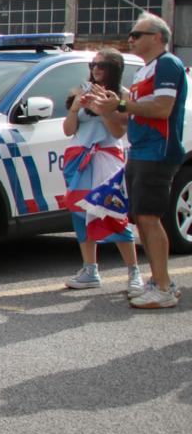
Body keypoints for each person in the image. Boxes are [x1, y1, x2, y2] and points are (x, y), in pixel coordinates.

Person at [93, 13, 186, 308]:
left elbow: (162, 108)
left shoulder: (167, 64)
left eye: (136, 34)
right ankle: (158, 280)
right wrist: (104, 108)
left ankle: (164, 287)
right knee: (141, 219)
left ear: (157, 37)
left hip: (158, 151)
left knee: (149, 218)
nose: (130, 39)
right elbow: (128, 117)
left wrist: (121, 103)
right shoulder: (144, 71)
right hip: (139, 150)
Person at [60, 49, 142, 292]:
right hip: (80, 159)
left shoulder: (121, 96)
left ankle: (134, 272)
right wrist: (75, 107)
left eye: (102, 65)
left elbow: (118, 132)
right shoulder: (82, 90)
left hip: (107, 159)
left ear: (114, 69)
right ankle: (90, 269)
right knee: (80, 213)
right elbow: (68, 130)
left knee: (112, 212)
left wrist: (103, 110)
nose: (96, 69)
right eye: (93, 65)